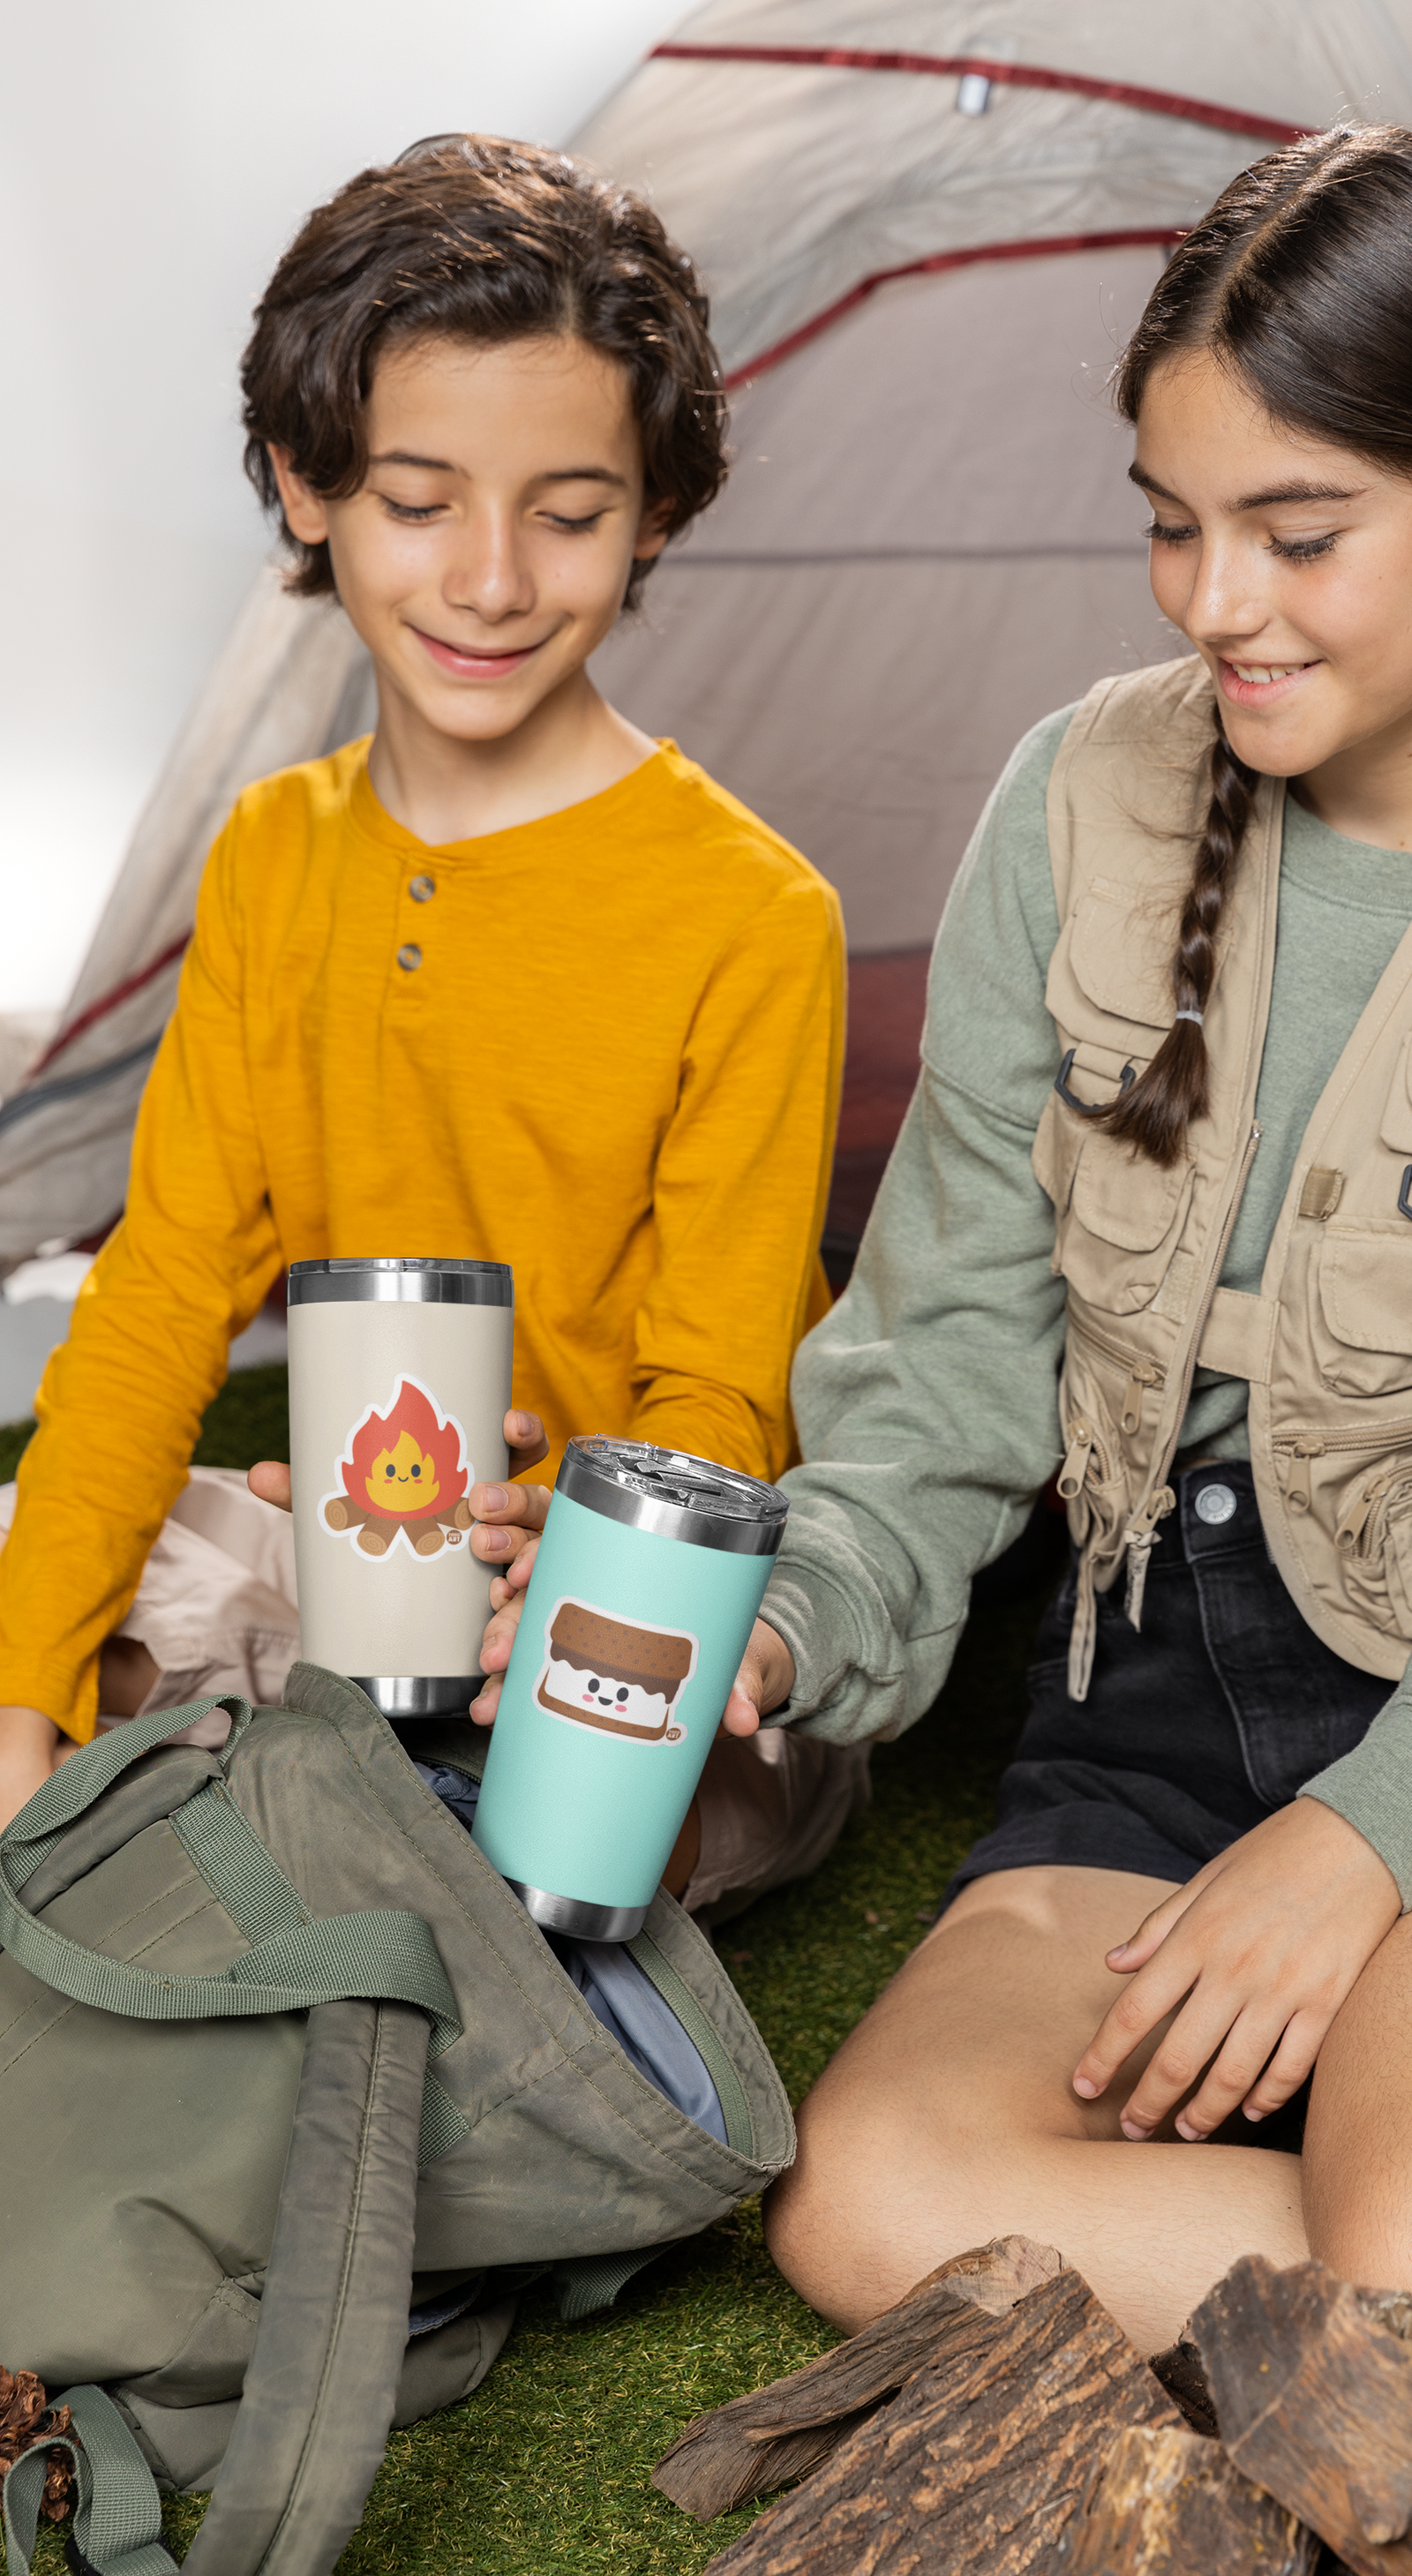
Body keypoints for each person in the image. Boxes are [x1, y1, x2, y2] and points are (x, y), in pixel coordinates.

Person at [483, 123, 1412, 2410]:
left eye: (1298, 529)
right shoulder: (1074, 804)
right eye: (1171, 521)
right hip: (1144, 1709)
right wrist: (791, 1617)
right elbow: (944, 1362)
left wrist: (1367, 1835)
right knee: (864, 2197)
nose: (1210, 600)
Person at [0, 136, 866, 1919]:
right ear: (302, 487)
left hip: (626, 1596)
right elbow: (166, 1288)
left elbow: (718, 1399)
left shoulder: (753, 914)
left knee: (600, 1786)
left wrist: (563, 1568)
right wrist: (16, 1694)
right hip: (351, 1550)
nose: (490, 578)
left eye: (566, 513)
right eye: (417, 500)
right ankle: (288, 1762)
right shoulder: (273, 854)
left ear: (653, 514)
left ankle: (390, 1812)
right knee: (42, 1575)